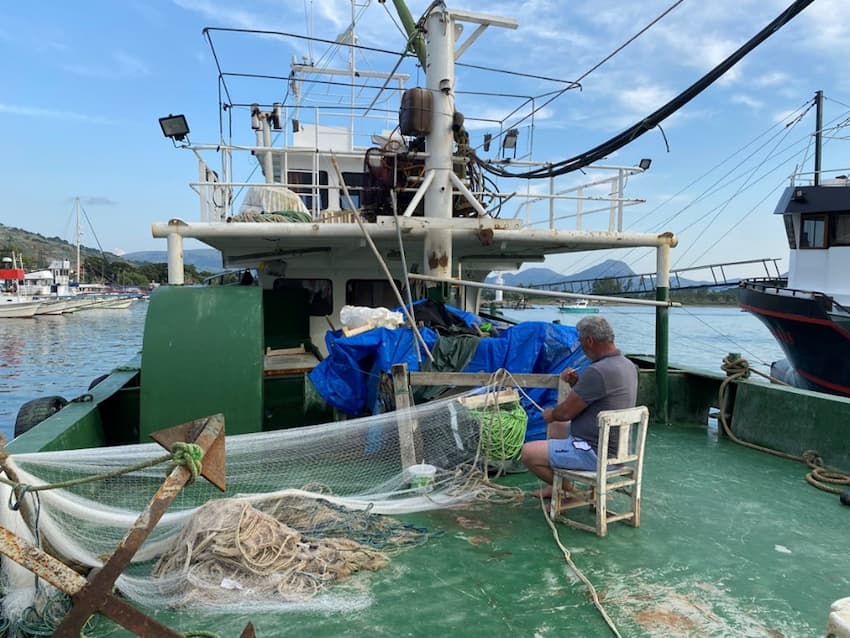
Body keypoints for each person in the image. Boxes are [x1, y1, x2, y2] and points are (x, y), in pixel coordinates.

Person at [521, 315, 638, 497]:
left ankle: (567, 490)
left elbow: (565, 412)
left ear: (590, 340)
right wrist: (577, 384)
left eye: (581, 340)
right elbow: (599, 398)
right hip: (619, 450)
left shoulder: (597, 371)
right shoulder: (627, 365)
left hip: (594, 452)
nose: (580, 345)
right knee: (557, 427)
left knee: (528, 452)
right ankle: (557, 487)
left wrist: (550, 414)